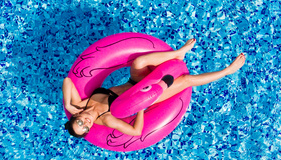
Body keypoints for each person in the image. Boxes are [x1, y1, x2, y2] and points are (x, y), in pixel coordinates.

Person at [62, 38, 246, 138]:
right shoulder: (107, 120)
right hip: (147, 96)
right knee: (186, 80)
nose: (85, 124)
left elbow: (67, 81)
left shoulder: (82, 105)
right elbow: (136, 132)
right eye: (85, 129)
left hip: (134, 83)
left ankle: (178, 53)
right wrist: (141, 105)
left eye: (79, 123)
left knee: (139, 61)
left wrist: (70, 106)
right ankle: (227, 71)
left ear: (76, 116)